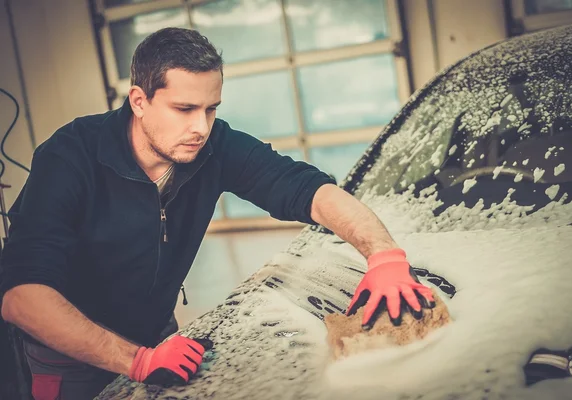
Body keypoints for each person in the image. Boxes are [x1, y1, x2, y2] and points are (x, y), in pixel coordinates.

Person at [0, 27, 435, 399]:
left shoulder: (214, 146)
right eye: (184, 109)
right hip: (69, 357)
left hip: (157, 333)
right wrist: (137, 361)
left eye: (211, 109)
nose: (201, 127)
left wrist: (383, 255)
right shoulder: (71, 156)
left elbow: (308, 189)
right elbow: (22, 297)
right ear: (138, 100)